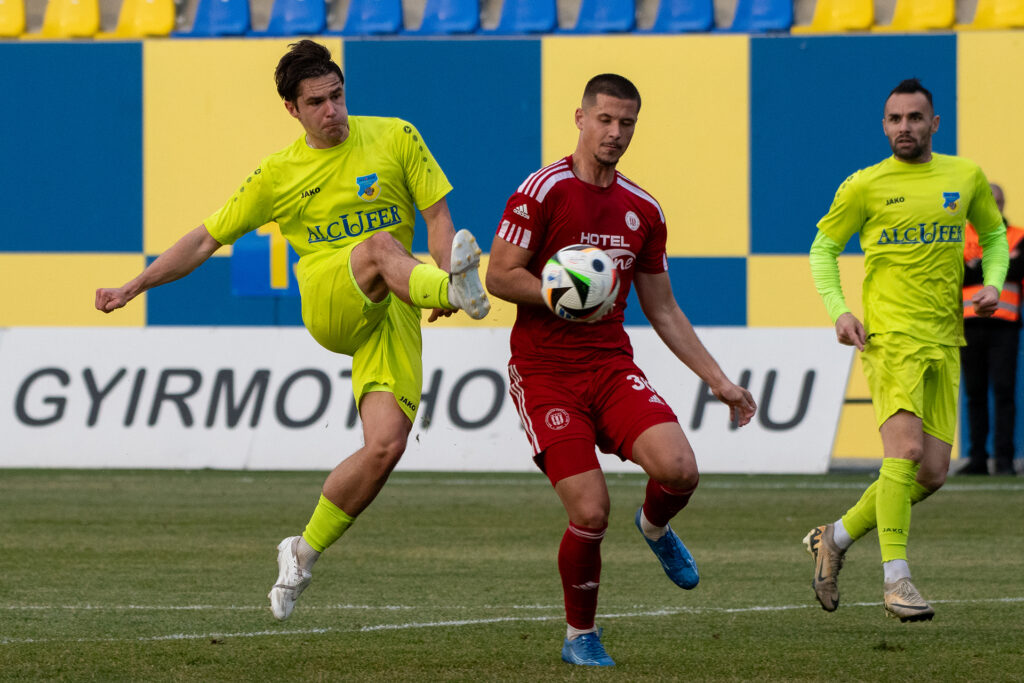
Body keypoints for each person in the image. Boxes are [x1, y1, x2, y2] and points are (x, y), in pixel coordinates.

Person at [95, 40, 490, 621]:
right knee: (379, 246)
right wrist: (135, 285)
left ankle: (301, 554)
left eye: (337, 96)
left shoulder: (397, 137)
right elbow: (204, 240)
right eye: (316, 103)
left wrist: (437, 272)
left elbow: (438, 219)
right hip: (332, 299)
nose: (333, 111)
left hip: (394, 307)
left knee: (385, 446)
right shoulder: (278, 174)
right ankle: (450, 289)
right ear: (292, 109)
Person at [485, 74, 757, 667]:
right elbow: (499, 274)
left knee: (681, 471)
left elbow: (663, 308)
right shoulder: (540, 192)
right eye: (604, 119)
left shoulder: (643, 209)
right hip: (544, 372)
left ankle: (655, 528)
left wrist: (719, 381)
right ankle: (580, 634)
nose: (614, 132)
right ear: (579, 118)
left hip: (609, 367)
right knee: (590, 511)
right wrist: (558, 291)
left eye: (626, 122)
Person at [805, 78, 1007, 622]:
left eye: (915, 118)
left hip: (946, 338)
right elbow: (823, 248)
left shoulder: (964, 176)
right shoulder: (865, 185)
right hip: (890, 339)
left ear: (934, 124)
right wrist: (839, 310)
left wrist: (993, 282)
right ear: (883, 125)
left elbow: (993, 236)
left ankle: (834, 537)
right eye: (895, 119)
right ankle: (897, 581)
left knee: (932, 473)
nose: (905, 127)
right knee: (906, 453)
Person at [959, 183, 1024, 476]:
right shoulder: (962, 236)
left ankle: (1004, 460)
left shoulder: (1018, 236)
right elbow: (956, 274)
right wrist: (1001, 262)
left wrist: (977, 266)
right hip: (969, 325)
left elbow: (1020, 270)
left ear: (1003, 203)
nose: (993, 207)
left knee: (1004, 392)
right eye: (987, 202)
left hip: (1004, 326)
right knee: (974, 394)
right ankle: (977, 459)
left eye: (996, 202)